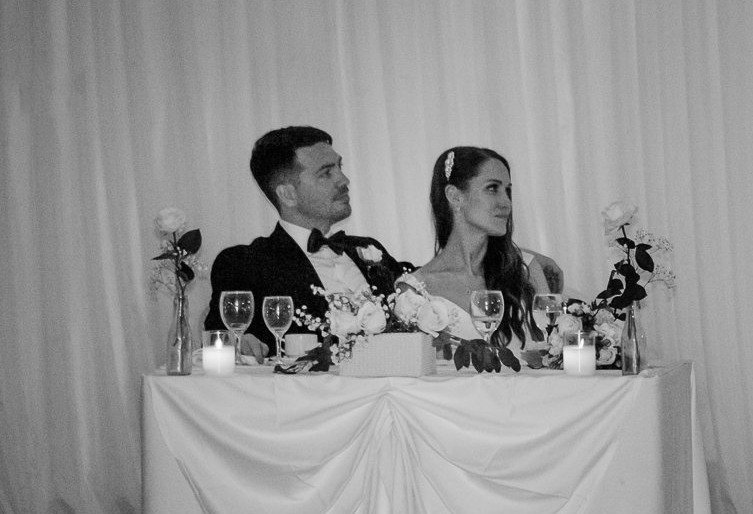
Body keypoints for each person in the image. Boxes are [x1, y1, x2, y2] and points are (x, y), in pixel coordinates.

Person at [204, 126, 407, 358]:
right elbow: (219, 337)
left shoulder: (369, 248)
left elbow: (412, 303)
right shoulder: (245, 263)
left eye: (339, 167)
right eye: (326, 173)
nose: (344, 180)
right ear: (287, 195)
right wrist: (238, 343)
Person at [398, 146, 560, 363]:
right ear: (455, 196)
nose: (507, 203)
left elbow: (554, 348)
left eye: (508, 190)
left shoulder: (526, 270)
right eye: (493, 188)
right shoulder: (414, 292)